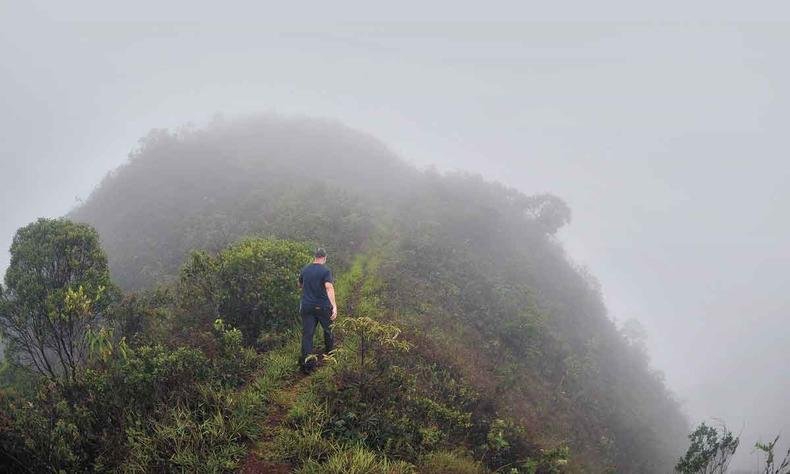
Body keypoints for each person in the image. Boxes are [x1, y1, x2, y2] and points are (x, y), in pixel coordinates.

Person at [298, 248, 337, 373]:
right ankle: (330, 356)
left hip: (307, 306)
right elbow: (329, 287)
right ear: (325, 258)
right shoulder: (325, 270)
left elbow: (300, 285)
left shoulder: (305, 269)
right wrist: (334, 305)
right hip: (322, 306)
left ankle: (307, 366)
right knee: (328, 330)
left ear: (315, 257)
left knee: (307, 336)